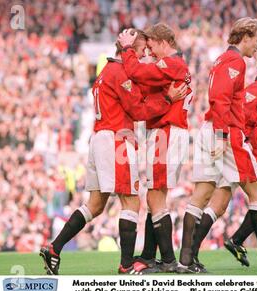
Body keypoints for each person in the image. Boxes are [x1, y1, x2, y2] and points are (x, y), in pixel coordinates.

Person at [39, 29, 187, 275]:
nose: (141, 57)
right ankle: (127, 265)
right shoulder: (120, 72)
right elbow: (139, 111)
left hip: (98, 138)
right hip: (116, 139)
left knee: (95, 205)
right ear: (128, 49)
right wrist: (168, 100)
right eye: (140, 51)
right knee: (131, 201)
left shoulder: (105, 71)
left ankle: (54, 248)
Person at [178, 18, 257, 273]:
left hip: (211, 129)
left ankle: (185, 261)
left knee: (202, 197)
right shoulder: (235, 62)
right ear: (245, 36)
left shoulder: (221, 59)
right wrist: (225, 136)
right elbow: (221, 99)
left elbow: (233, 104)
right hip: (227, 134)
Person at [118, 23, 193, 273]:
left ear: (163, 42)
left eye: (151, 46)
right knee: (155, 196)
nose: (149, 52)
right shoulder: (175, 66)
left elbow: (138, 73)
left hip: (167, 132)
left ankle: (170, 261)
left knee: (155, 197)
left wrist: (127, 50)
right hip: (166, 132)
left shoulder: (172, 63)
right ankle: (151, 255)